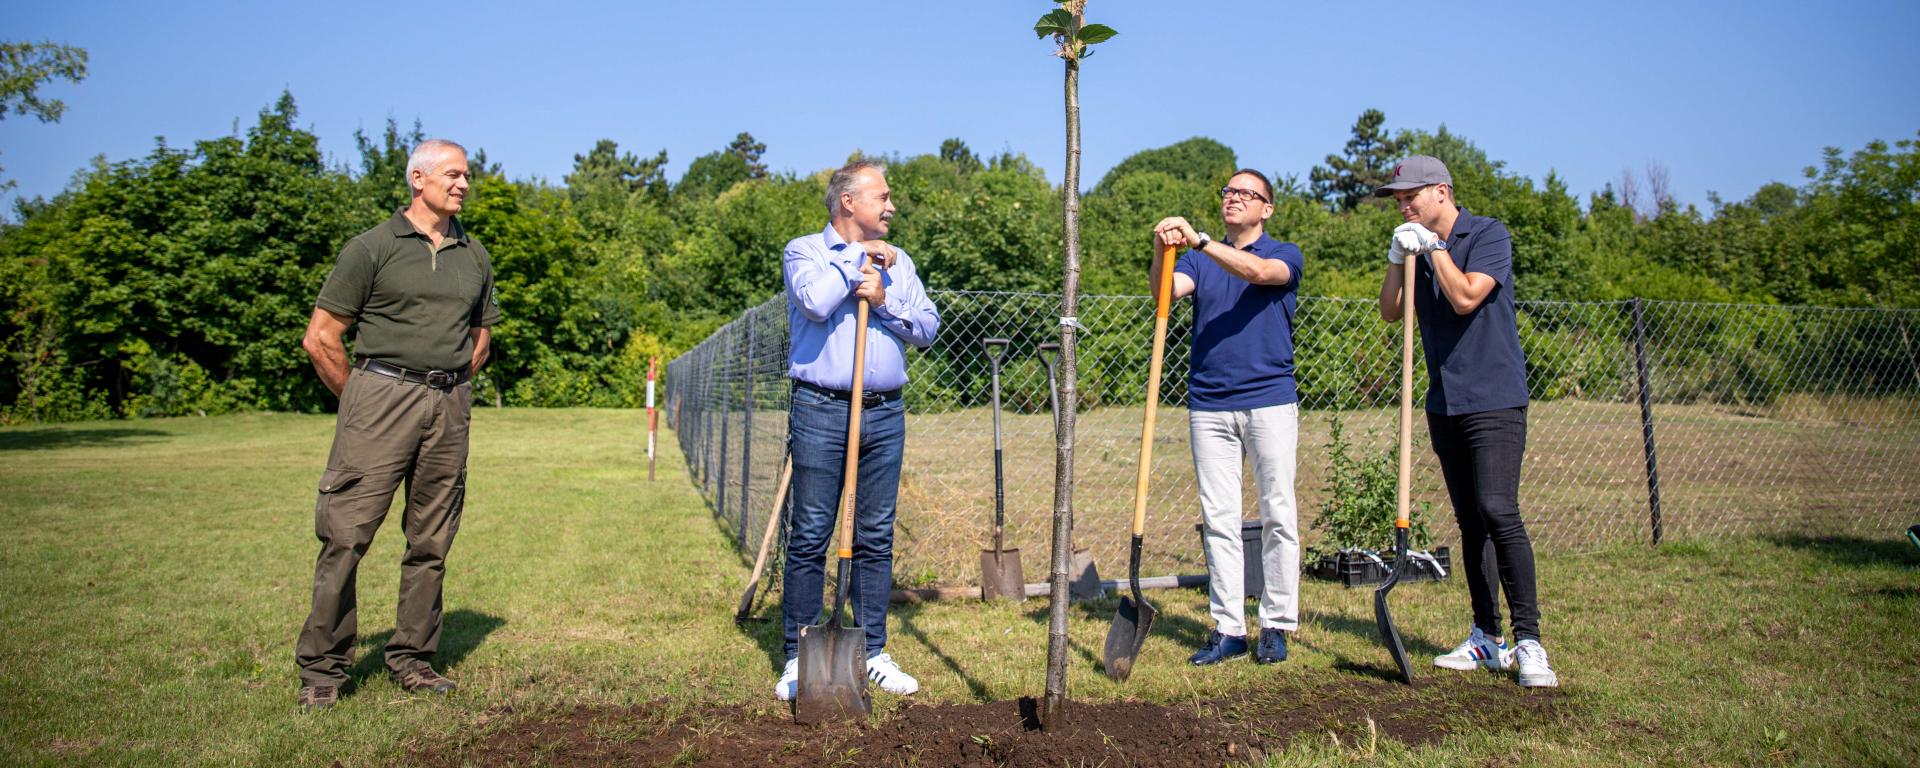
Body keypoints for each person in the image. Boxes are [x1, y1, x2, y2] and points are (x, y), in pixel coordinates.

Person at [295, 139, 500, 711]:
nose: (462, 184)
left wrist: (450, 382)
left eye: (466, 176)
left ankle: (412, 659)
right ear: (417, 178)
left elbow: (482, 332)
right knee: (347, 536)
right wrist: (364, 397)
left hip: (449, 404)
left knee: (431, 539)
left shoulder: (473, 254)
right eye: (452, 175)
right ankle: (324, 672)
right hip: (379, 397)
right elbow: (321, 337)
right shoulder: (371, 248)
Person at [1375, 154, 1557, 688]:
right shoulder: (1412, 247)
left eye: (1412, 195)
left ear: (1442, 191)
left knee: (1499, 510)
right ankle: (1486, 636)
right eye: (1398, 199)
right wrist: (1395, 257)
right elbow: (1391, 311)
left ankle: (1530, 642)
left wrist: (1433, 250)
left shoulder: (1487, 235)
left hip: (1495, 399)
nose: (1404, 205)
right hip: (1446, 402)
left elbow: (1464, 297)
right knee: (1471, 523)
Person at [774, 160, 940, 701]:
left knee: (875, 534)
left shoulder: (901, 262)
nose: (891, 206)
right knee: (812, 532)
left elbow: (928, 328)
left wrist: (885, 297)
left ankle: (870, 650)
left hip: (884, 413)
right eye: (883, 197)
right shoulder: (805, 251)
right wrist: (855, 264)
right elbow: (815, 302)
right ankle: (798, 656)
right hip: (822, 408)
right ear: (850, 202)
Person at [1150, 169, 1305, 666]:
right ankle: (1230, 628)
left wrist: (1200, 239)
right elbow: (1164, 293)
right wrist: (1164, 247)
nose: (1234, 198)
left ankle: (1276, 624)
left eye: (1246, 193)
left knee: (1278, 514)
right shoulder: (1199, 260)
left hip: (1269, 400)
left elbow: (1258, 276)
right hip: (1209, 402)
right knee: (1219, 519)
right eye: (1228, 191)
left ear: (1267, 209)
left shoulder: (1285, 254)